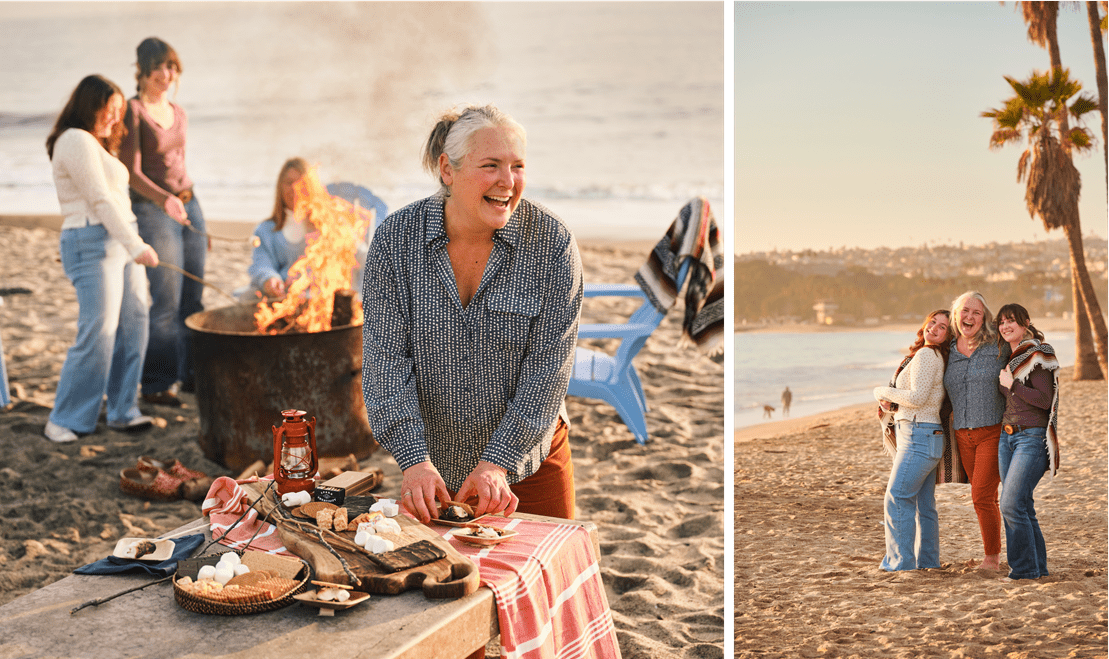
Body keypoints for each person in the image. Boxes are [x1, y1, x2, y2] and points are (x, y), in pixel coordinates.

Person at [361, 105, 583, 524]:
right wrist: (413, 460)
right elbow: (384, 362)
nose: (508, 181)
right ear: (448, 169)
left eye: (517, 166)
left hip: (530, 463)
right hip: (432, 471)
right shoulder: (395, 242)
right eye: (491, 165)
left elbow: (549, 372)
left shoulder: (552, 244)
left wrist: (498, 462)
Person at [43, 74, 159, 443]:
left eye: (120, 111)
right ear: (89, 105)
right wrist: (136, 244)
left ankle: (124, 410)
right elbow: (99, 199)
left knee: (134, 326)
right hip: (92, 240)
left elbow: (116, 202)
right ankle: (64, 419)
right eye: (110, 109)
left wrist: (131, 242)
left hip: (120, 240)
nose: (115, 118)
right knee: (99, 332)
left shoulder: (96, 145)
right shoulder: (74, 139)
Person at [118, 37, 206, 407]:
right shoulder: (133, 111)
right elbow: (130, 172)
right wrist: (164, 199)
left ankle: (189, 377)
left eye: (171, 66)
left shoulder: (179, 111)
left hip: (188, 205)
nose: (166, 74)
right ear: (142, 69)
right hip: (153, 210)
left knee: (193, 297)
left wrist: (194, 215)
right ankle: (157, 383)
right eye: (159, 67)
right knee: (166, 302)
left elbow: (180, 165)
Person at [872, 310, 952, 571]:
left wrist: (880, 391)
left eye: (943, 327)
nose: (935, 329)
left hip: (919, 435)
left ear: (949, 336)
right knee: (923, 504)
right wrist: (894, 401)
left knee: (896, 497)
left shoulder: (927, 354)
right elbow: (922, 399)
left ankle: (900, 563)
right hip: (925, 434)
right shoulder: (935, 355)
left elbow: (916, 398)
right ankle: (928, 562)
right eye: (933, 322)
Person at [944, 291, 1009, 571]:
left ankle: (992, 559)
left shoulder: (998, 344)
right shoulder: (947, 349)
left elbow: (1027, 346)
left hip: (993, 431)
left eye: (976, 313)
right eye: (965, 311)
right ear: (956, 315)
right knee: (986, 496)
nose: (969, 317)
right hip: (962, 436)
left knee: (981, 496)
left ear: (985, 319)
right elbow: (916, 362)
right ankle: (996, 550)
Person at [246, 158, 375, 299]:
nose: (295, 189)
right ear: (280, 187)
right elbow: (261, 263)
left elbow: (360, 253)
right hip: (283, 298)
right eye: (289, 183)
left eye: (301, 183)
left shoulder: (328, 222)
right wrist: (269, 279)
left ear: (311, 187)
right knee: (249, 296)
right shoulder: (266, 230)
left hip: (320, 300)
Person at [996, 303, 1059, 580]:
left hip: (1031, 438)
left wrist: (1013, 385)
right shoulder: (1009, 358)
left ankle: (1022, 571)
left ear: (1026, 323)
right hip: (1006, 437)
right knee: (1022, 505)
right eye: (1001, 322)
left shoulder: (1038, 353)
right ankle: (1037, 568)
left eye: (1011, 321)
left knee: (1010, 505)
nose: (1005, 326)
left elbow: (1044, 401)